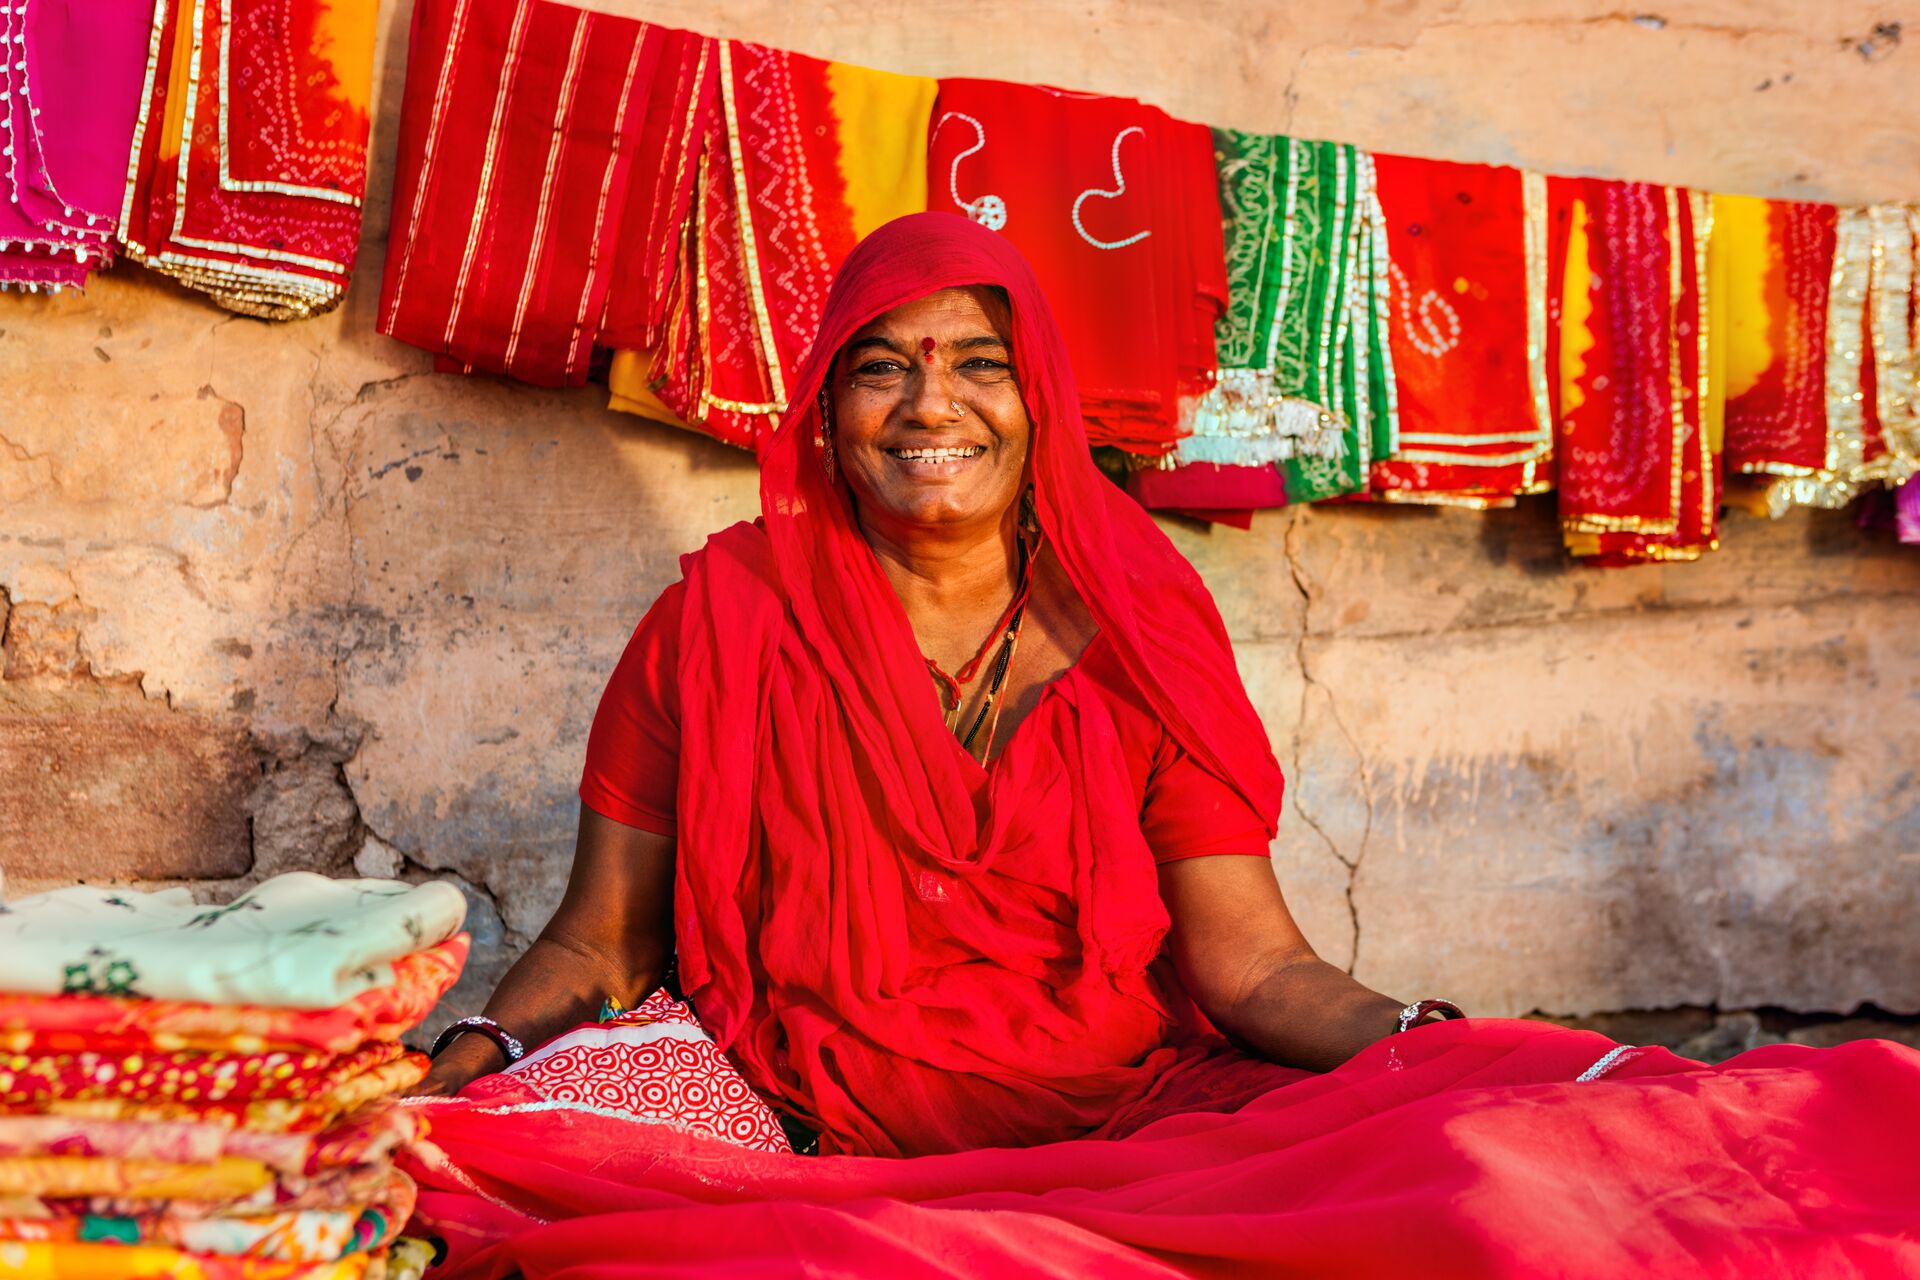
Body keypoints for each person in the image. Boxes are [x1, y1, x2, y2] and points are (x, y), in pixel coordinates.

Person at [402, 214, 1920, 1276]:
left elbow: (1252, 971)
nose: (932, 403)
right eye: (883, 364)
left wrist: (1430, 1050)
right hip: (796, 1123)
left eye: (977, 361)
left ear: (1039, 398)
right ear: (828, 405)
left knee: (1507, 1180)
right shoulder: (721, 618)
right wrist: (461, 1062)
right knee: (487, 1180)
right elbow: (601, 947)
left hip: (1129, 1114)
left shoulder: (1139, 618)